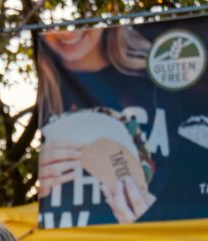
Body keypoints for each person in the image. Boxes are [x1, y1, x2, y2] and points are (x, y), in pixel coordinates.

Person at [37, 26, 158, 226]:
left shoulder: (153, 74)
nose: (69, 32)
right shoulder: (46, 95)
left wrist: (149, 222)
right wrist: (42, 190)